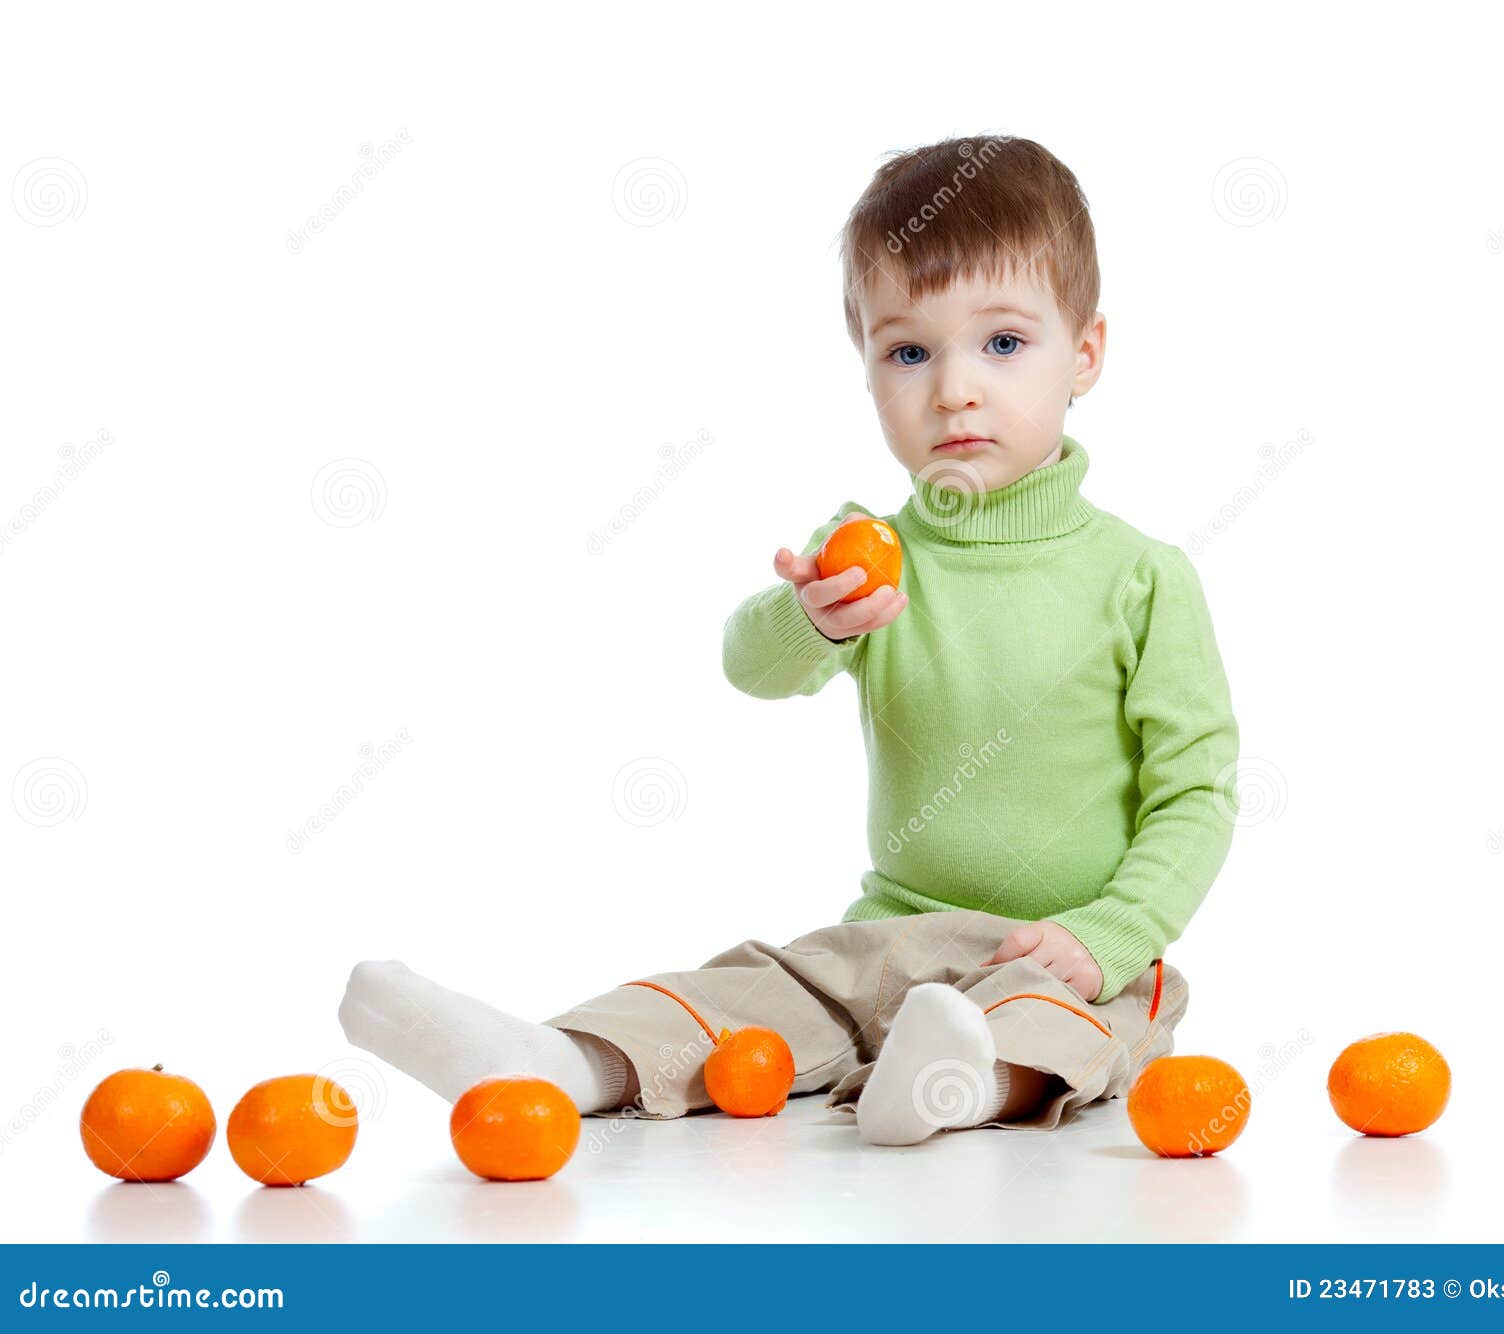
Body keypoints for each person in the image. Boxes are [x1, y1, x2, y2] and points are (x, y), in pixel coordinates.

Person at [339, 134, 1240, 1146]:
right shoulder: (868, 551)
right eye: (908, 351)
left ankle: (955, 1084)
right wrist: (807, 618)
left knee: (1060, 1031)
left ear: (1084, 354)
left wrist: (1111, 932)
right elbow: (751, 668)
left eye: (1001, 343)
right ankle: (561, 1059)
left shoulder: (1142, 577)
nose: (952, 388)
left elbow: (1193, 792)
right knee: (762, 989)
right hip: (892, 927)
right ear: (866, 373)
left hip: (1071, 954)